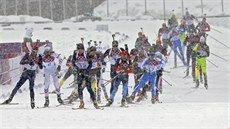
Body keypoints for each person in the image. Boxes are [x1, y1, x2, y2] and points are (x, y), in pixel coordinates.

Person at [2, 45, 43, 109]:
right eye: (34, 51)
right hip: (26, 72)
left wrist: (37, 62)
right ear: (32, 50)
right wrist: (28, 62)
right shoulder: (28, 54)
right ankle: (10, 99)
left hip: (32, 73)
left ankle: (32, 101)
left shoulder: (39, 56)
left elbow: (41, 67)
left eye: (36, 51)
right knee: (18, 85)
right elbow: (21, 62)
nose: (34, 52)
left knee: (31, 88)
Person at [72, 43, 100, 109]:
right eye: (79, 49)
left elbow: (90, 64)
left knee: (89, 87)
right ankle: (81, 102)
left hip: (86, 71)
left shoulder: (87, 54)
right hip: (79, 71)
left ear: (83, 49)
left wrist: (87, 70)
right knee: (79, 87)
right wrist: (77, 68)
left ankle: (94, 102)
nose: (80, 51)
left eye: (81, 50)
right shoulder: (75, 54)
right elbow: (73, 62)